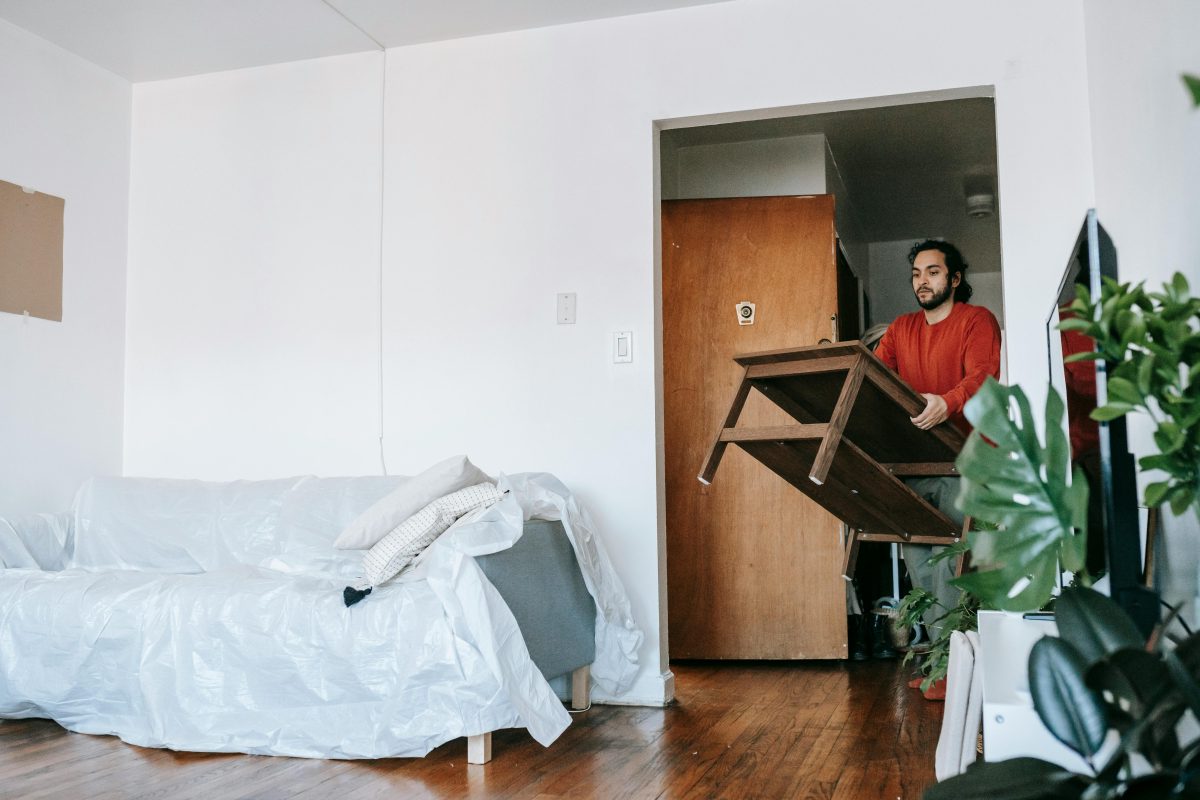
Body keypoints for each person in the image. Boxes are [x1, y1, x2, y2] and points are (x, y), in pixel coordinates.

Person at [873, 240, 1002, 671]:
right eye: (916, 274)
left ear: (955, 278)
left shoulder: (976, 320)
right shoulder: (900, 328)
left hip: (965, 458)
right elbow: (873, 377)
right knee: (921, 569)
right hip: (915, 463)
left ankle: (963, 670)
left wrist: (947, 402)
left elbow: (983, 374)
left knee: (957, 569)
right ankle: (941, 665)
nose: (922, 281)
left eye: (932, 272)